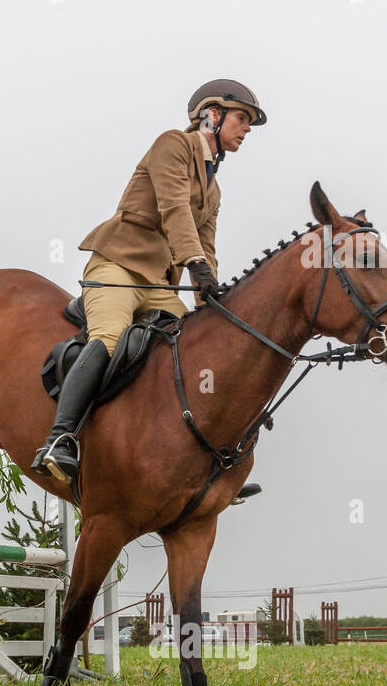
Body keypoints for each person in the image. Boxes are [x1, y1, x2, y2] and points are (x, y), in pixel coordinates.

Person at [31, 79, 267, 483]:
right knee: (108, 338)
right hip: (118, 266)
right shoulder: (172, 144)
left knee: (193, 350)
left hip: (161, 283)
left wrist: (208, 306)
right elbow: (174, 209)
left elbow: (206, 247)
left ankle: (204, 460)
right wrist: (197, 265)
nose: (246, 129)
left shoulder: (214, 191)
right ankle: (61, 438)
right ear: (212, 115)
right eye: (242, 118)